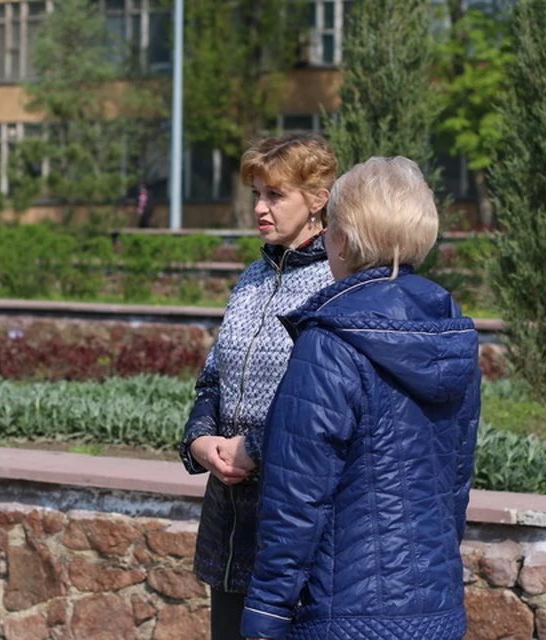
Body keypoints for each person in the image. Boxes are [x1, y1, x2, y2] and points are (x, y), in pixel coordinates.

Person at [241, 157, 481, 640]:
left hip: (343, 613)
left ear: (344, 241)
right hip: (434, 608)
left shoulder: (330, 340)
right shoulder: (452, 334)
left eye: (329, 231)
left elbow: (297, 494)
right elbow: (455, 484)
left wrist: (266, 610)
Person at [178, 134, 337, 640]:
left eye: (276, 195)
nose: (261, 208)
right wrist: (200, 441)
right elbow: (213, 380)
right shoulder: (250, 277)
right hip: (228, 511)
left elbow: (327, 401)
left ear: (317, 200)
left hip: (292, 507)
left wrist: (257, 447)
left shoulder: (336, 281)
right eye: (256, 195)